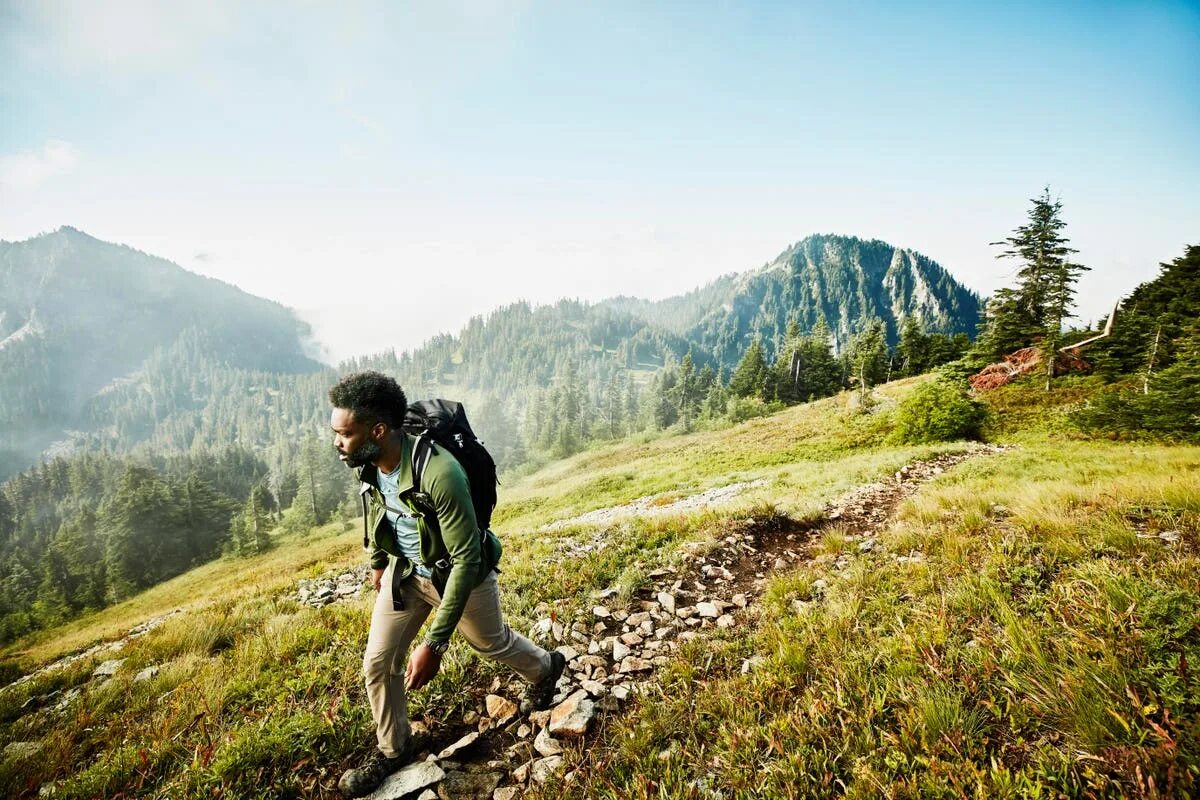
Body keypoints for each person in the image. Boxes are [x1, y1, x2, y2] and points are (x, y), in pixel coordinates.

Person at [328, 371, 566, 798]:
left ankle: (547, 668)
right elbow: (379, 508)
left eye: (345, 433)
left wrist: (435, 645)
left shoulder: (440, 473)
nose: (337, 442)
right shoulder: (365, 460)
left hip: (456, 574)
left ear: (378, 431)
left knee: (490, 643)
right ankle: (394, 749)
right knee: (378, 664)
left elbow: (466, 558)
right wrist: (379, 561)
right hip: (406, 575)